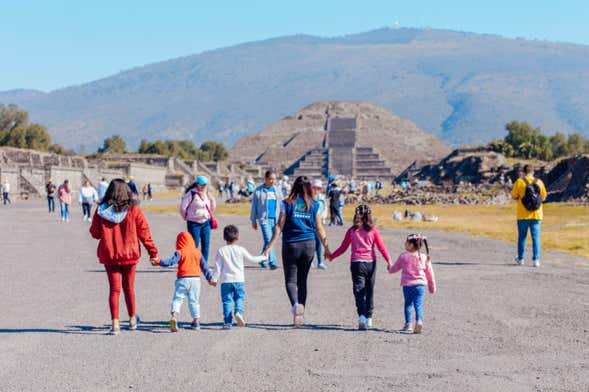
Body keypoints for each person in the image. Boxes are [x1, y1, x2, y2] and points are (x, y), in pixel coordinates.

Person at [90, 178, 159, 335]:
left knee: (114, 289)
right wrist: (152, 252)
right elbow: (144, 233)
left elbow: (94, 233)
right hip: (130, 253)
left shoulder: (101, 210)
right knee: (129, 288)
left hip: (110, 254)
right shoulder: (134, 210)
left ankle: (115, 323)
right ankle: (132, 319)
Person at [263, 176, 330, 328]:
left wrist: (269, 246)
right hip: (309, 245)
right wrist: (326, 248)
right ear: (308, 187)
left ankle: (295, 306)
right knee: (302, 281)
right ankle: (301, 313)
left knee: (291, 280)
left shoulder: (287, 203)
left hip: (291, 245)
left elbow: (279, 226)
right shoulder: (314, 204)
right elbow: (320, 228)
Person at [328, 205, 392, 330]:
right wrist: (389, 261)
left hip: (357, 263)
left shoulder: (352, 230)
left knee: (359, 291)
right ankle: (369, 318)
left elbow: (343, 247)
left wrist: (332, 256)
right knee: (370, 290)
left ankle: (362, 316)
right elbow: (381, 248)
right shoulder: (373, 231)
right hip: (370, 263)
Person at [152, 231, 214, 332]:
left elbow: (170, 262)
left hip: (182, 279)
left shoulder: (180, 252)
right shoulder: (197, 252)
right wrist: (209, 278)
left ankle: (174, 317)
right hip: (195, 280)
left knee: (178, 299)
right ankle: (196, 322)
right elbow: (204, 267)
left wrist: (159, 262)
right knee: (194, 301)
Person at [211, 225, 267, 329]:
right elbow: (252, 259)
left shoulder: (221, 250)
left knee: (227, 301)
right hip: (239, 280)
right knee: (239, 298)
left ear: (224, 238)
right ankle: (238, 312)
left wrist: (214, 280)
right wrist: (264, 257)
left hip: (226, 281)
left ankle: (227, 322)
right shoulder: (241, 249)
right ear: (238, 237)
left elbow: (217, 267)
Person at [388, 234, 436, 334]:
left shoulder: (403, 256)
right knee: (418, 305)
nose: (405, 244)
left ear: (411, 245)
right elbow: (430, 273)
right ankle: (419, 321)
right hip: (420, 285)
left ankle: (408, 324)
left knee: (408, 304)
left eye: (406, 242)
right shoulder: (424, 257)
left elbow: (395, 268)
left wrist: (390, 268)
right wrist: (432, 287)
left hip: (407, 285)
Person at [511, 164, 547, 267]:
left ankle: (521, 259)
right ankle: (536, 260)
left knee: (522, 237)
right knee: (536, 238)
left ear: (523, 171)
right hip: (537, 215)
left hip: (522, 215)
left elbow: (514, 196)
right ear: (533, 171)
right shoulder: (539, 182)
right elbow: (543, 197)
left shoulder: (519, 182)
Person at [250, 170, 283, 269]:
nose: (273, 181)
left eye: (274, 179)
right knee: (268, 239)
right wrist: (253, 220)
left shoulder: (277, 190)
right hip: (264, 219)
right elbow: (254, 206)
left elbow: (282, 205)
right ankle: (272, 262)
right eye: (270, 179)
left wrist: (283, 218)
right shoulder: (258, 191)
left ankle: (262, 259)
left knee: (270, 241)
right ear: (266, 179)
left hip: (276, 219)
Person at [179, 175, 216, 262]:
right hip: (194, 223)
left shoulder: (206, 193)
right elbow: (182, 208)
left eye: (205, 185)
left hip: (206, 222)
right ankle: (192, 263)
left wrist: (208, 213)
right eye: (202, 185)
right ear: (197, 184)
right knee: (193, 244)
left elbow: (212, 205)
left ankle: (204, 264)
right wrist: (186, 217)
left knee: (206, 244)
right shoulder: (191, 193)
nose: (203, 187)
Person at [311, 179, 328, 270]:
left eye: (318, 188)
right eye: (314, 188)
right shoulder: (308, 198)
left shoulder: (322, 198)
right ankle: (310, 262)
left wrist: (324, 219)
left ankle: (320, 262)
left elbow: (325, 209)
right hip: (310, 224)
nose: (316, 190)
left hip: (319, 223)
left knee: (319, 243)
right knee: (310, 244)